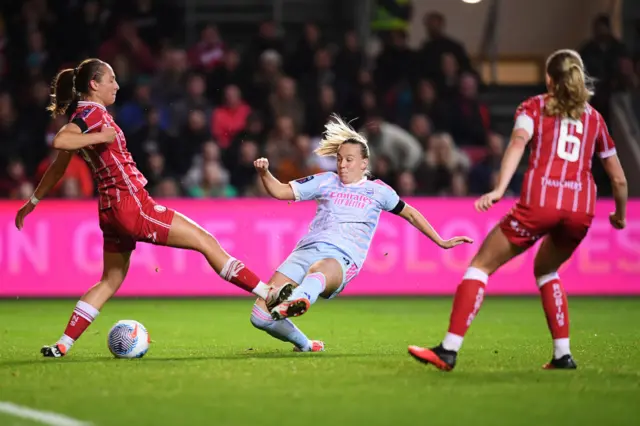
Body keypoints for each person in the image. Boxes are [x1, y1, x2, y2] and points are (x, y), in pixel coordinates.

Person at [14, 58, 292, 358]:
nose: (117, 85)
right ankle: (268, 293)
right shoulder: (91, 114)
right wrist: (101, 136)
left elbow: (59, 165)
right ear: (94, 84)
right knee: (205, 241)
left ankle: (62, 344)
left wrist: (33, 201)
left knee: (110, 280)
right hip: (131, 203)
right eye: (111, 79)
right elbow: (61, 140)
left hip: (109, 210)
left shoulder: (89, 116)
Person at [408, 49, 628, 371]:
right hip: (581, 210)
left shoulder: (534, 106)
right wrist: (620, 215)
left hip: (540, 203)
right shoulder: (595, 119)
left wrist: (499, 188)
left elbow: (517, 143)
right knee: (547, 270)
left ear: (549, 78)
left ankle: (448, 350)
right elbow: (619, 179)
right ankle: (562, 355)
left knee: (481, 265)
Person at [248, 114, 473, 352]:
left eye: (349, 160)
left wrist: (440, 240)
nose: (342, 165)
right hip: (306, 250)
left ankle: (300, 297)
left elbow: (410, 213)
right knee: (260, 316)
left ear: (364, 163)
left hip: (342, 258)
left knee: (320, 270)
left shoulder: (378, 191)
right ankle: (305, 344)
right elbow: (281, 191)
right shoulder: (325, 181)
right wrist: (265, 173)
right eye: (339, 159)